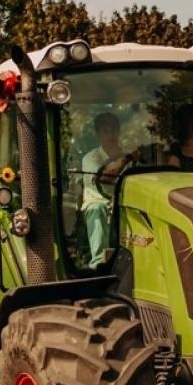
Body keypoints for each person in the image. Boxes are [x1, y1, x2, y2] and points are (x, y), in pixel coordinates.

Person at [80, 112, 135, 268]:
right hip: (100, 202)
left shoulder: (129, 157)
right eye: (106, 130)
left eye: (114, 130)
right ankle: (98, 262)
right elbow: (103, 178)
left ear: (119, 132)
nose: (111, 134)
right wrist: (125, 159)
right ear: (98, 134)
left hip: (124, 203)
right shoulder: (91, 158)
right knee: (97, 209)